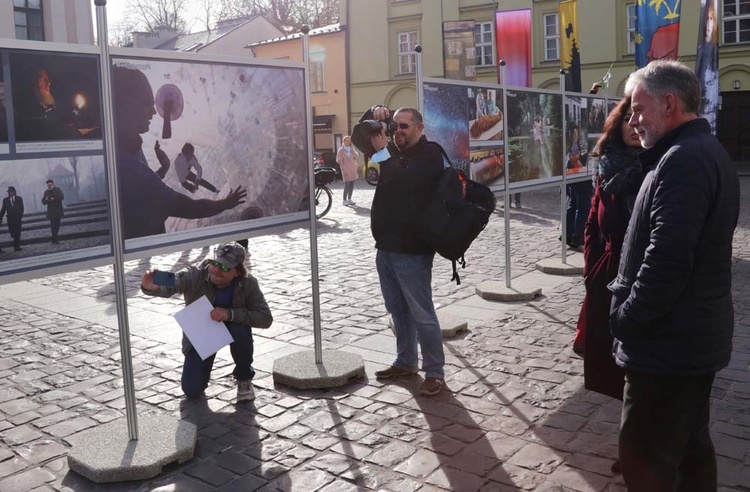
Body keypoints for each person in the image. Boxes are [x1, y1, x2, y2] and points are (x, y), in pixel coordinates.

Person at [610, 60, 739, 490]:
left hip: (668, 346)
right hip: (685, 341)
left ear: (669, 104)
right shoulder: (693, 152)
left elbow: (666, 260)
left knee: (646, 456)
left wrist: (627, 318)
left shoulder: (683, 160)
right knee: (687, 450)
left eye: (638, 109)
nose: (633, 120)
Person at [572, 98, 642, 476]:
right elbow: (591, 223)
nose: (634, 124)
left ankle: (639, 452)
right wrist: (591, 268)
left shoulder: (659, 164)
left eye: (639, 117)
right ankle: (632, 445)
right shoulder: (609, 165)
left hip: (645, 277)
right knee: (615, 365)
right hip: (607, 274)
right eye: (627, 118)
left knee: (642, 366)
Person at [364, 105, 446, 397]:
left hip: (412, 251)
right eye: (394, 126)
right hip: (385, 247)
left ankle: (434, 372)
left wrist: (384, 153)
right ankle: (406, 361)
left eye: (403, 127)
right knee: (397, 310)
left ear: (419, 128)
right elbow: (363, 136)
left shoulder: (430, 155)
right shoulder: (395, 153)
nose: (396, 132)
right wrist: (373, 113)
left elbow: (405, 181)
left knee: (422, 313)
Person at [112, 65, 246, 240]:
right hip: (143, 246)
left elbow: (143, 192)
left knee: (198, 181)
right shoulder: (131, 166)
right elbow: (188, 207)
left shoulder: (125, 148)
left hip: (141, 244)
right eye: (146, 104)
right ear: (124, 105)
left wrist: (163, 168)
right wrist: (225, 204)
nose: (153, 111)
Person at [140, 241, 273, 401]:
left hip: (234, 328)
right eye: (214, 263)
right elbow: (174, 280)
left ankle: (244, 378)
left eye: (225, 267)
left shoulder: (248, 283)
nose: (216, 269)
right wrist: (150, 285)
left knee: (241, 330)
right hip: (203, 333)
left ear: (237, 272)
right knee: (191, 390)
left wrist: (230, 314)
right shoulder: (195, 273)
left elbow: (265, 318)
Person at [565, 125, 592, 249]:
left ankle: (568, 234)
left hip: (574, 177)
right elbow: (575, 159)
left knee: (573, 205)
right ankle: (576, 235)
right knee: (581, 207)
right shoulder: (574, 146)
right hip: (579, 177)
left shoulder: (574, 144)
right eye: (575, 133)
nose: (577, 135)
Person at [695, 0, 719, 133]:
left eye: (711, 19)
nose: (709, 24)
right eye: (707, 19)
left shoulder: (712, 51)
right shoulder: (701, 52)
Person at [336, 135, 359, 206]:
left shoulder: (352, 148)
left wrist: (352, 150)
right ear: (343, 141)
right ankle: (344, 200)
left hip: (353, 168)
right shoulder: (341, 150)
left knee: (352, 184)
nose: (348, 142)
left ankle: (349, 199)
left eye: (349, 141)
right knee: (347, 184)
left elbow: (357, 157)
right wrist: (343, 167)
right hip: (346, 169)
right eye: (346, 140)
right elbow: (338, 160)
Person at [0, 187, 24, 252]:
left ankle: (16, 247)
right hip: (10, 219)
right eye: (8, 192)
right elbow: (3, 209)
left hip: (17, 219)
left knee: (18, 233)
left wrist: (20, 215)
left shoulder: (19, 198)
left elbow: (22, 208)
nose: (9, 193)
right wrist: (0, 217)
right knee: (13, 233)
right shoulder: (5, 200)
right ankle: (15, 243)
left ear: (14, 192)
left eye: (10, 192)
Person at [41, 179, 64, 244]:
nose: (49, 186)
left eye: (50, 185)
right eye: (48, 185)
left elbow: (62, 197)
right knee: (52, 226)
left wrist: (53, 199)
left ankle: (54, 238)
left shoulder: (58, 189)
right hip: (51, 212)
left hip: (58, 210)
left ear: (53, 184)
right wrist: (46, 199)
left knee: (57, 225)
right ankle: (54, 239)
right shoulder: (46, 192)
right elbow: (43, 202)